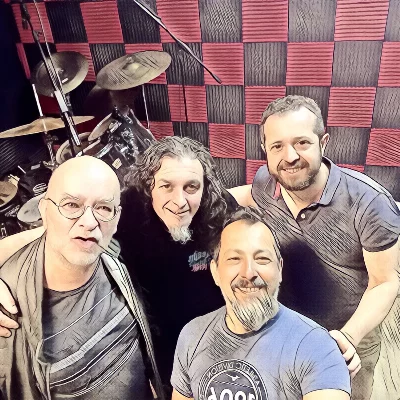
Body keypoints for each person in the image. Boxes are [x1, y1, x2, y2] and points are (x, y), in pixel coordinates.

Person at [0, 137, 237, 393]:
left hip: (220, 344)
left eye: (191, 187)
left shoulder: (219, 208)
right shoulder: (130, 209)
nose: (179, 201)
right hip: (166, 356)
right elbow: (52, 232)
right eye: (166, 186)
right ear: (149, 185)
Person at [229, 95, 400, 399]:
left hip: (350, 333)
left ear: (323, 143)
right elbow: (249, 196)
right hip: (285, 328)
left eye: (302, 143)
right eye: (277, 146)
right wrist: (195, 202)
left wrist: (347, 337)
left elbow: (385, 282)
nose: (290, 156)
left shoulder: (370, 203)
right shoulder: (266, 182)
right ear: (265, 150)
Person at [0, 156, 163, 399]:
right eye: (71, 205)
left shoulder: (117, 256)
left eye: (103, 208)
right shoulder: (9, 307)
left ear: (117, 218)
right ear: (44, 211)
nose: (89, 222)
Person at [171, 207, 351, 400]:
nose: (248, 273)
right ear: (215, 272)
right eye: (234, 259)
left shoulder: (316, 346)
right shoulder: (192, 335)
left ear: (279, 269)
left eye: (262, 259)